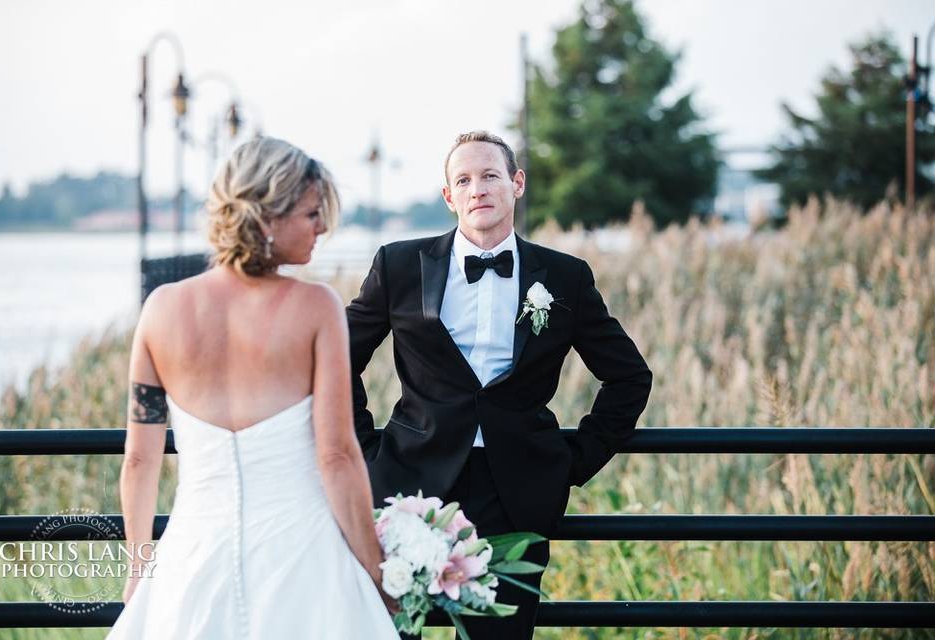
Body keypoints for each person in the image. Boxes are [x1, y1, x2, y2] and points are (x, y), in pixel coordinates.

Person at [347, 131, 653, 639]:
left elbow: (628, 376)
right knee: (391, 634)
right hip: (410, 487)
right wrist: (367, 449)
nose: (477, 189)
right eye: (463, 180)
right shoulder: (398, 266)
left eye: (490, 175)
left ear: (517, 184)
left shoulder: (564, 277)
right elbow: (337, 360)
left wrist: (573, 461)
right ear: (448, 197)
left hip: (516, 490)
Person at [107, 136, 399, 639]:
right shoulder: (317, 308)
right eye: (311, 213)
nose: (322, 227)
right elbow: (337, 457)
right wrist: (376, 572)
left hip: (191, 560)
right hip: (304, 562)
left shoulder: (160, 309)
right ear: (267, 216)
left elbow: (139, 462)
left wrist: (140, 570)